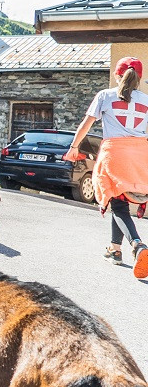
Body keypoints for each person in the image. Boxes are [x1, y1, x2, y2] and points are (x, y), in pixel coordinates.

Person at [63, 56, 148, 278]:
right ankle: (115, 249)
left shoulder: (105, 96)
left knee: (117, 204)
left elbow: (86, 123)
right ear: (139, 77)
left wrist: (74, 147)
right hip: (141, 154)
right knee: (117, 199)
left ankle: (137, 244)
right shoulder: (147, 100)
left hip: (115, 153)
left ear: (116, 75)